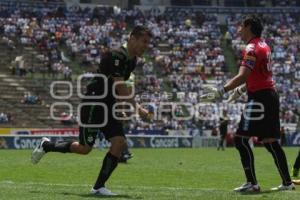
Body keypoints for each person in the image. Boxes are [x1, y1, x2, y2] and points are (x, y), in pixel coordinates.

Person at [31, 26, 153, 196]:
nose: (146, 46)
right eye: (144, 41)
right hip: (94, 103)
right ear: (132, 38)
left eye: (148, 42)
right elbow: (119, 85)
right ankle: (47, 145)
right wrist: (138, 108)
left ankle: (98, 187)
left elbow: (116, 88)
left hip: (108, 105)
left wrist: (119, 105)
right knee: (84, 148)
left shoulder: (131, 61)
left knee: (118, 143)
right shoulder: (116, 55)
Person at [201, 15, 295, 192]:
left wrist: (222, 91)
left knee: (240, 139)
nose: (238, 30)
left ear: (248, 27)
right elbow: (258, 76)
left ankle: (252, 184)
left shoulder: (251, 47)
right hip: (269, 95)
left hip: (260, 98)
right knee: (270, 142)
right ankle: (287, 183)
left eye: (240, 26)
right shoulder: (264, 45)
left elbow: (244, 75)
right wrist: (241, 90)